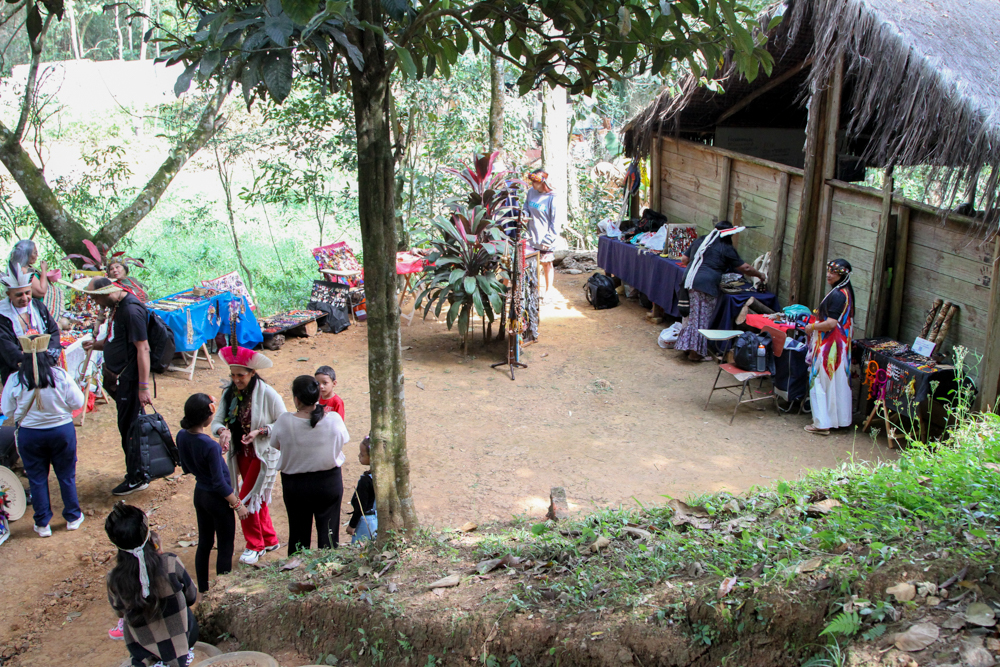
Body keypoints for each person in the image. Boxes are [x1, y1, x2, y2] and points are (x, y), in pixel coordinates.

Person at [1, 334, 84, 537]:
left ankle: (42, 523)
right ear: (46, 354)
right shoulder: (60, 376)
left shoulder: (15, 379)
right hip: (61, 432)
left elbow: (7, 410)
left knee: (37, 479)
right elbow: (78, 402)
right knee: (66, 475)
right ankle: (73, 517)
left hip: (30, 435)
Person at [211, 343, 285, 565]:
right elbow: (217, 421)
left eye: (240, 375)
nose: (236, 380)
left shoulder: (268, 394)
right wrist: (223, 431)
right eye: (233, 375)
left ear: (252, 373)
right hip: (240, 453)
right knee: (256, 497)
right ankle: (269, 539)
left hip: (262, 454)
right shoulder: (229, 394)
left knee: (245, 497)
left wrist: (261, 431)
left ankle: (254, 545)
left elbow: (282, 422)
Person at [80, 277, 152, 496]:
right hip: (121, 381)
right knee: (127, 426)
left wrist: (143, 387)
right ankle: (137, 471)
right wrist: (96, 344)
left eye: (96, 299)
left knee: (130, 429)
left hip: (129, 382)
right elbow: (115, 340)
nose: (96, 304)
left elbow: (143, 349)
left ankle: (137, 476)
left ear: (106, 293)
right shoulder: (117, 307)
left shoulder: (130, 311)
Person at [105, 502, 199, 667]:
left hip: (142, 650)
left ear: (115, 542)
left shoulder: (114, 579)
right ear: (147, 534)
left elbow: (120, 612)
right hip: (183, 640)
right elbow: (191, 597)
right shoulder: (170, 563)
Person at [177, 393, 249, 593]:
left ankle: (203, 589)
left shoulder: (182, 435)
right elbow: (219, 484)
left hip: (200, 494)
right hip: (217, 501)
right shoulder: (209, 445)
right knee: (225, 546)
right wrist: (238, 505)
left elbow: (187, 467)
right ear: (207, 416)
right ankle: (221, 592)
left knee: (205, 543)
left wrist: (217, 453)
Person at [272, 375, 349, 554]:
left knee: (298, 536)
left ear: (296, 399)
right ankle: (328, 568)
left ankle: (296, 568)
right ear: (317, 396)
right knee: (329, 536)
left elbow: (276, 444)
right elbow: (342, 440)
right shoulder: (334, 419)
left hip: (295, 485)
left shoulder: (284, 421)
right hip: (328, 482)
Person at [675, 221, 767, 362]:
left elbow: (684, 259)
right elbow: (746, 268)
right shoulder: (725, 247)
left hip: (688, 281)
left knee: (691, 317)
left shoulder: (701, 240)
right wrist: (760, 275)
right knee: (701, 319)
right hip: (704, 284)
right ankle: (695, 353)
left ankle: (687, 347)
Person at [803, 259, 855, 435]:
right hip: (840, 346)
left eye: (833, 272)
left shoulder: (839, 295)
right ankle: (840, 420)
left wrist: (812, 327)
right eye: (829, 271)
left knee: (819, 380)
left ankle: (822, 423)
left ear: (842, 275)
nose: (829, 275)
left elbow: (831, 323)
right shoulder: (846, 292)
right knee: (837, 382)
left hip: (829, 346)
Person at [0, 264, 61, 385]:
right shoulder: (2, 316)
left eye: (27, 293)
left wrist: (48, 357)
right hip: (17, 374)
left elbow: (53, 330)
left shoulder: (37, 306)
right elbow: (7, 348)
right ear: (8, 294)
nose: (25, 298)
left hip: (46, 367)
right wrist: (33, 361)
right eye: (19, 294)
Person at [525, 169, 561, 297]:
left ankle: (548, 291)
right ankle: (533, 291)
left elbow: (555, 222)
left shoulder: (552, 198)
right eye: (532, 181)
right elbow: (526, 206)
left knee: (547, 264)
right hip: (531, 237)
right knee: (531, 265)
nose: (532, 184)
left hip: (545, 238)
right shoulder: (531, 192)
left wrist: (548, 239)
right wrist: (525, 214)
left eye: (535, 182)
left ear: (543, 182)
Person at [8, 239, 64, 320]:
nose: (37, 255)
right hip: (35, 312)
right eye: (35, 252)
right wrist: (44, 270)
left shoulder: (26, 267)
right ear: (26, 255)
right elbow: (41, 291)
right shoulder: (22, 270)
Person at [345, 435, 376, 543]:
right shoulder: (382, 477)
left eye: (362, 454)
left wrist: (352, 525)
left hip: (365, 521)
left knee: (361, 546)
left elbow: (360, 506)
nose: (359, 456)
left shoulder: (365, 481)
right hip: (377, 520)